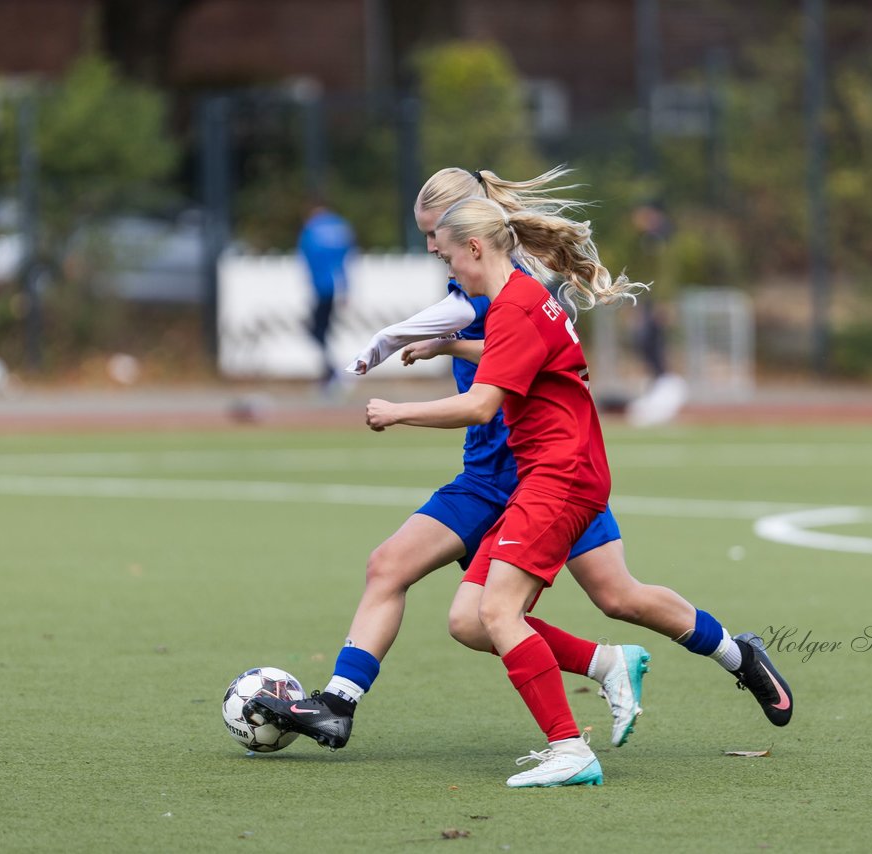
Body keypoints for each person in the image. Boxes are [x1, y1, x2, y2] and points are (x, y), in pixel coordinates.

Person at [245, 169, 791, 783]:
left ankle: (726, 659)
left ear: (469, 236)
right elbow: (503, 344)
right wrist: (445, 345)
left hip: (541, 475)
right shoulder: (490, 284)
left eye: (435, 237)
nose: (431, 250)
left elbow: (488, 356)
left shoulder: (506, 288)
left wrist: (397, 356)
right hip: (498, 473)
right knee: (417, 585)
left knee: (607, 598)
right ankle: (341, 704)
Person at [297, 196, 356, 388]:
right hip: (336, 286)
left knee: (317, 330)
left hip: (321, 287)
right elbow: (348, 258)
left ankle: (333, 372)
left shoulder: (311, 229)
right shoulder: (341, 227)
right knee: (321, 330)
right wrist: (346, 288)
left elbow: (306, 260)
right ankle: (330, 372)